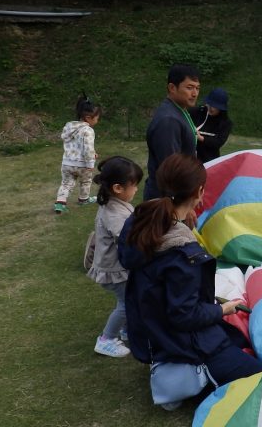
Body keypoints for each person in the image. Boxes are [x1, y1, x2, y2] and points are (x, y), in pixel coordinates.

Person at [118, 153, 262, 402]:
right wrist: (222, 310)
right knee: (260, 377)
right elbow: (184, 315)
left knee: (237, 340)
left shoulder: (140, 220)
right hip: (180, 340)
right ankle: (183, 380)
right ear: (199, 191)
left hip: (153, 330)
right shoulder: (183, 255)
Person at [88, 156, 143, 358]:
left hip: (116, 266)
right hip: (113, 269)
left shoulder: (116, 202)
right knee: (127, 303)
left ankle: (127, 329)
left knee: (131, 299)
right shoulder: (113, 212)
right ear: (118, 188)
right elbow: (128, 237)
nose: (136, 190)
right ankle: (106, 339)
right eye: (134, 186)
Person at [144, 64, 200, 202]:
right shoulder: (169, 120)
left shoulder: (179, 110)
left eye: (197, 88)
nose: (194, 93)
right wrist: (183, 203)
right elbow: (170, 168)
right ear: (172, 88)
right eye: (189, 87)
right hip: (165, 201)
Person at [54, 94, 101, 214]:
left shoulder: (69, 127)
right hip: (82, 165)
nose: (97, 120)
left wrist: (93, 153)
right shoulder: (88, 130)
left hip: (67, 163)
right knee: (85, 181)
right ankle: (83, 199)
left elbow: (76, 145)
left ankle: (60, 203)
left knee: (66, 183)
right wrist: (90, 163)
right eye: (96, 118)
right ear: (88, 117)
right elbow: (88, 148)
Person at [190, 87, 233, 164]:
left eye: (215, 106)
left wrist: (201, 138)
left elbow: (218, 142)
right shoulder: (197, 112)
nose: (210, 108)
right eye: (210, 104)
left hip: (209, 160)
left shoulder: (226, 123)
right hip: (190, 158)